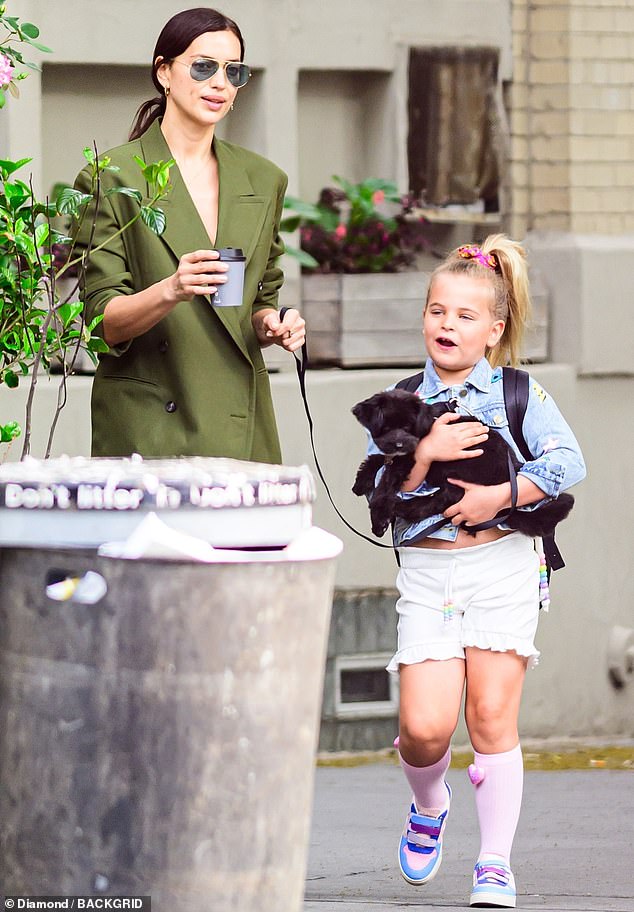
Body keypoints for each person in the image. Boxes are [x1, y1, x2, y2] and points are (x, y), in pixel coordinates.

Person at [362, 236, 585, 906]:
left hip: (503, 567)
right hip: (430, 577)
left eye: (464, 316)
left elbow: (566, 463)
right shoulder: (401, 400)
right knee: (426, 729)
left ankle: (494, 863)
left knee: (490, 716)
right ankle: (429, 805)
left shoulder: (519, 391)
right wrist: (424, 454)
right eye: (437, 311)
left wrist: (499, 498)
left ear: (493, 330)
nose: (446, 325)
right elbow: (382, 499)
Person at [74, 7, 304, 460]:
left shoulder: (263, 179)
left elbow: (254, 303)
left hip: (240, 420)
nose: (220, 83)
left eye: (233, 71)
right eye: (203, 67)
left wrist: (272, 325)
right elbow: (101, 322)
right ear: (164, 72)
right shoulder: (111, 177)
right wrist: (172, 289)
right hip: (149, 423)